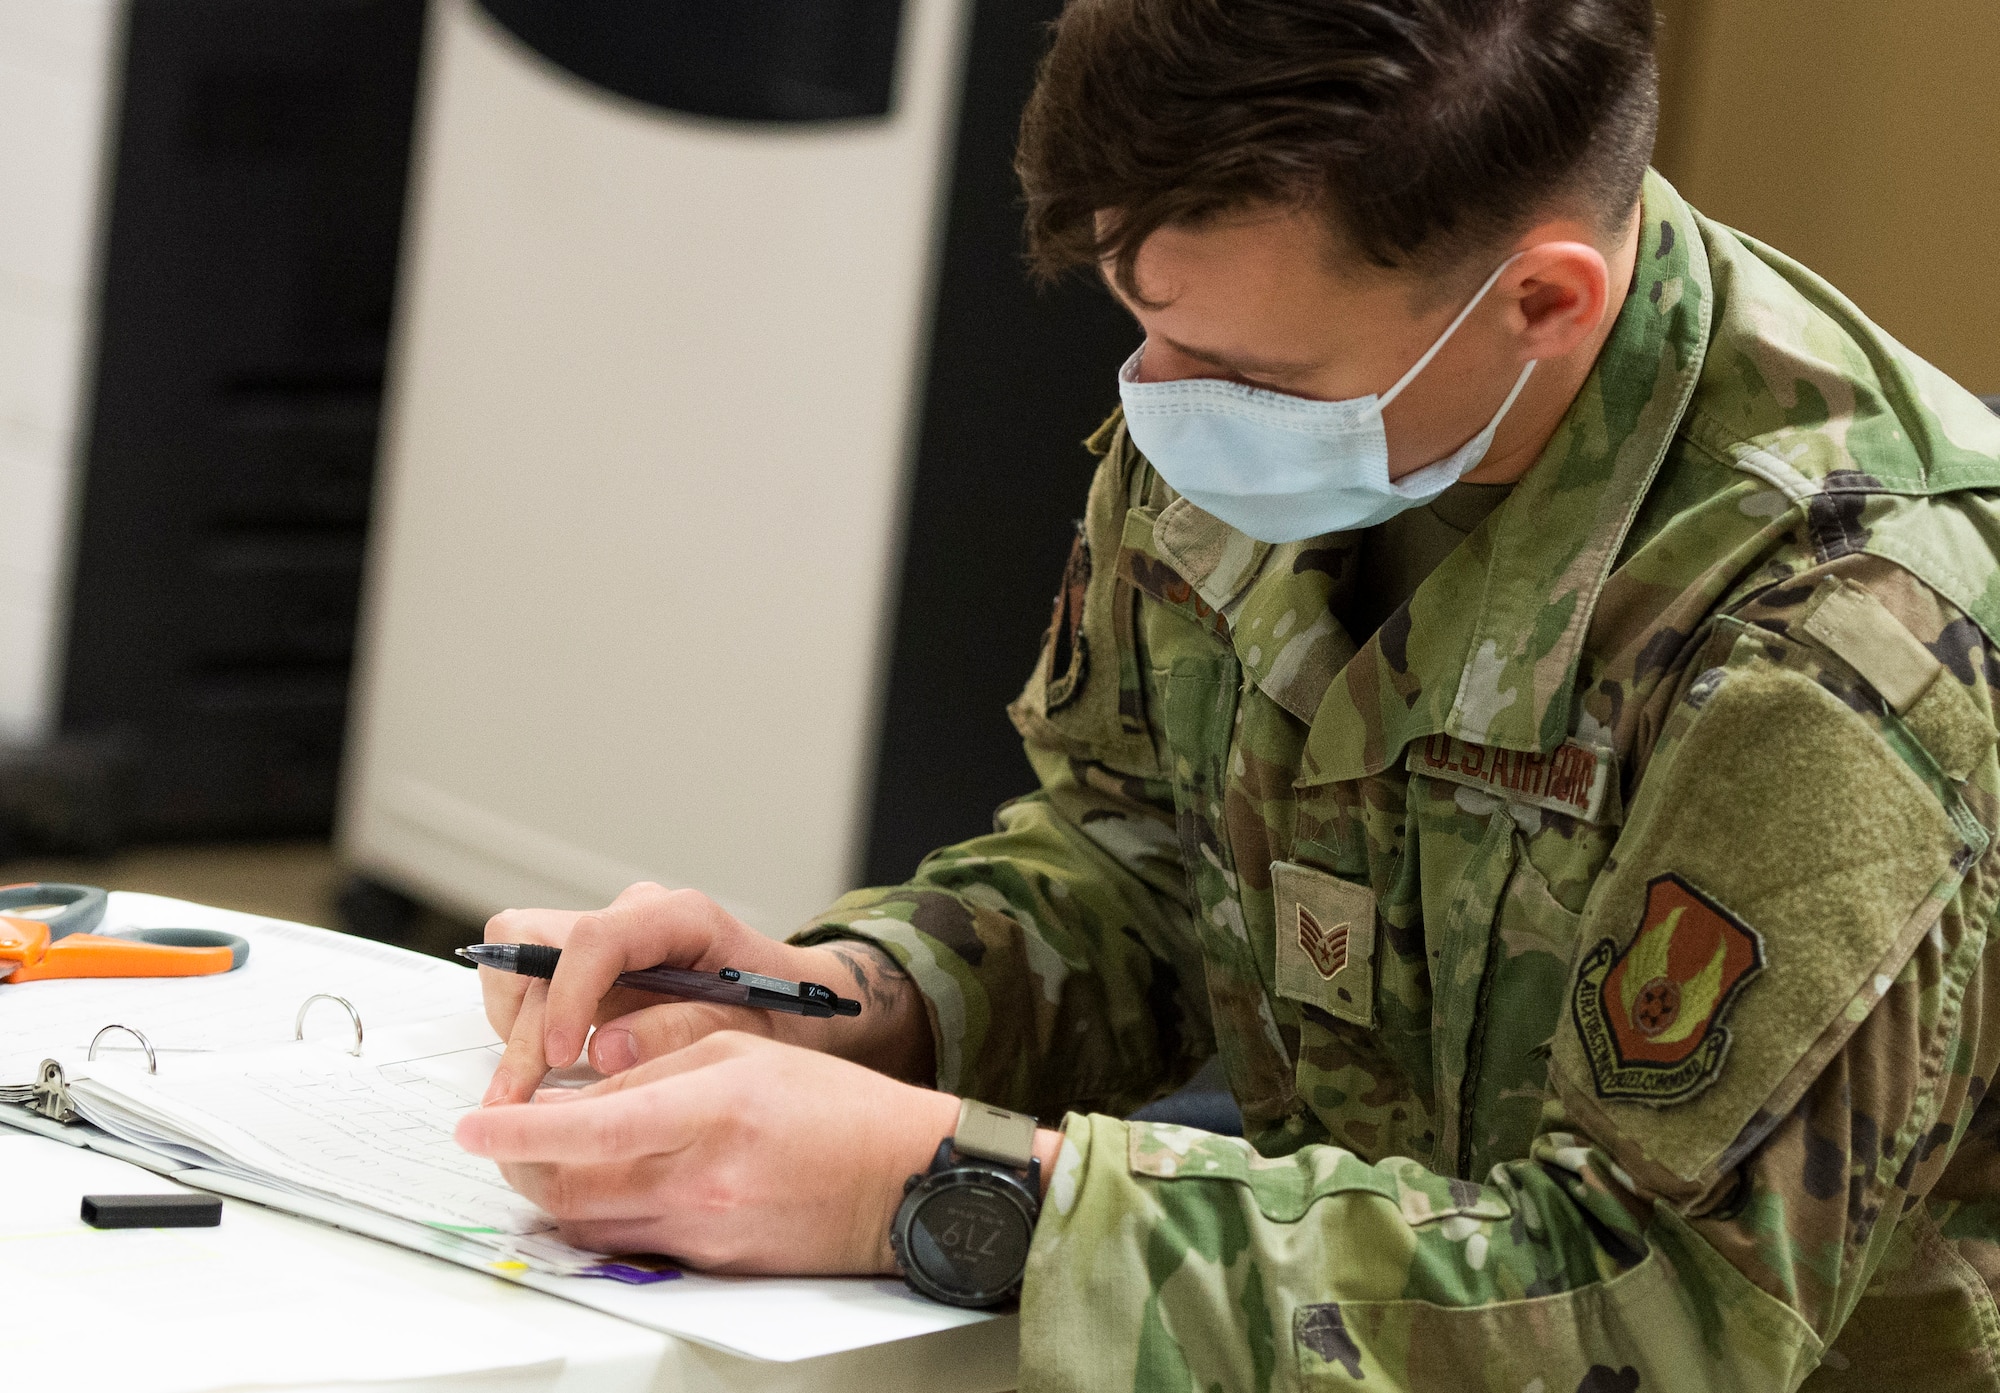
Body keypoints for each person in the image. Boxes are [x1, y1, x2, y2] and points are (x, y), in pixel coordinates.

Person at [453, 0, 2000, 1386]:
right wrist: (853, 1004)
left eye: (1247, 373)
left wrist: (943, 1188)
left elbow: (1652, 1312)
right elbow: (1145, 862)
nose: (1167, 402)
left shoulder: (1841, 633)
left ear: (1543, 303)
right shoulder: (1308, 375)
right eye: (1146, 325)